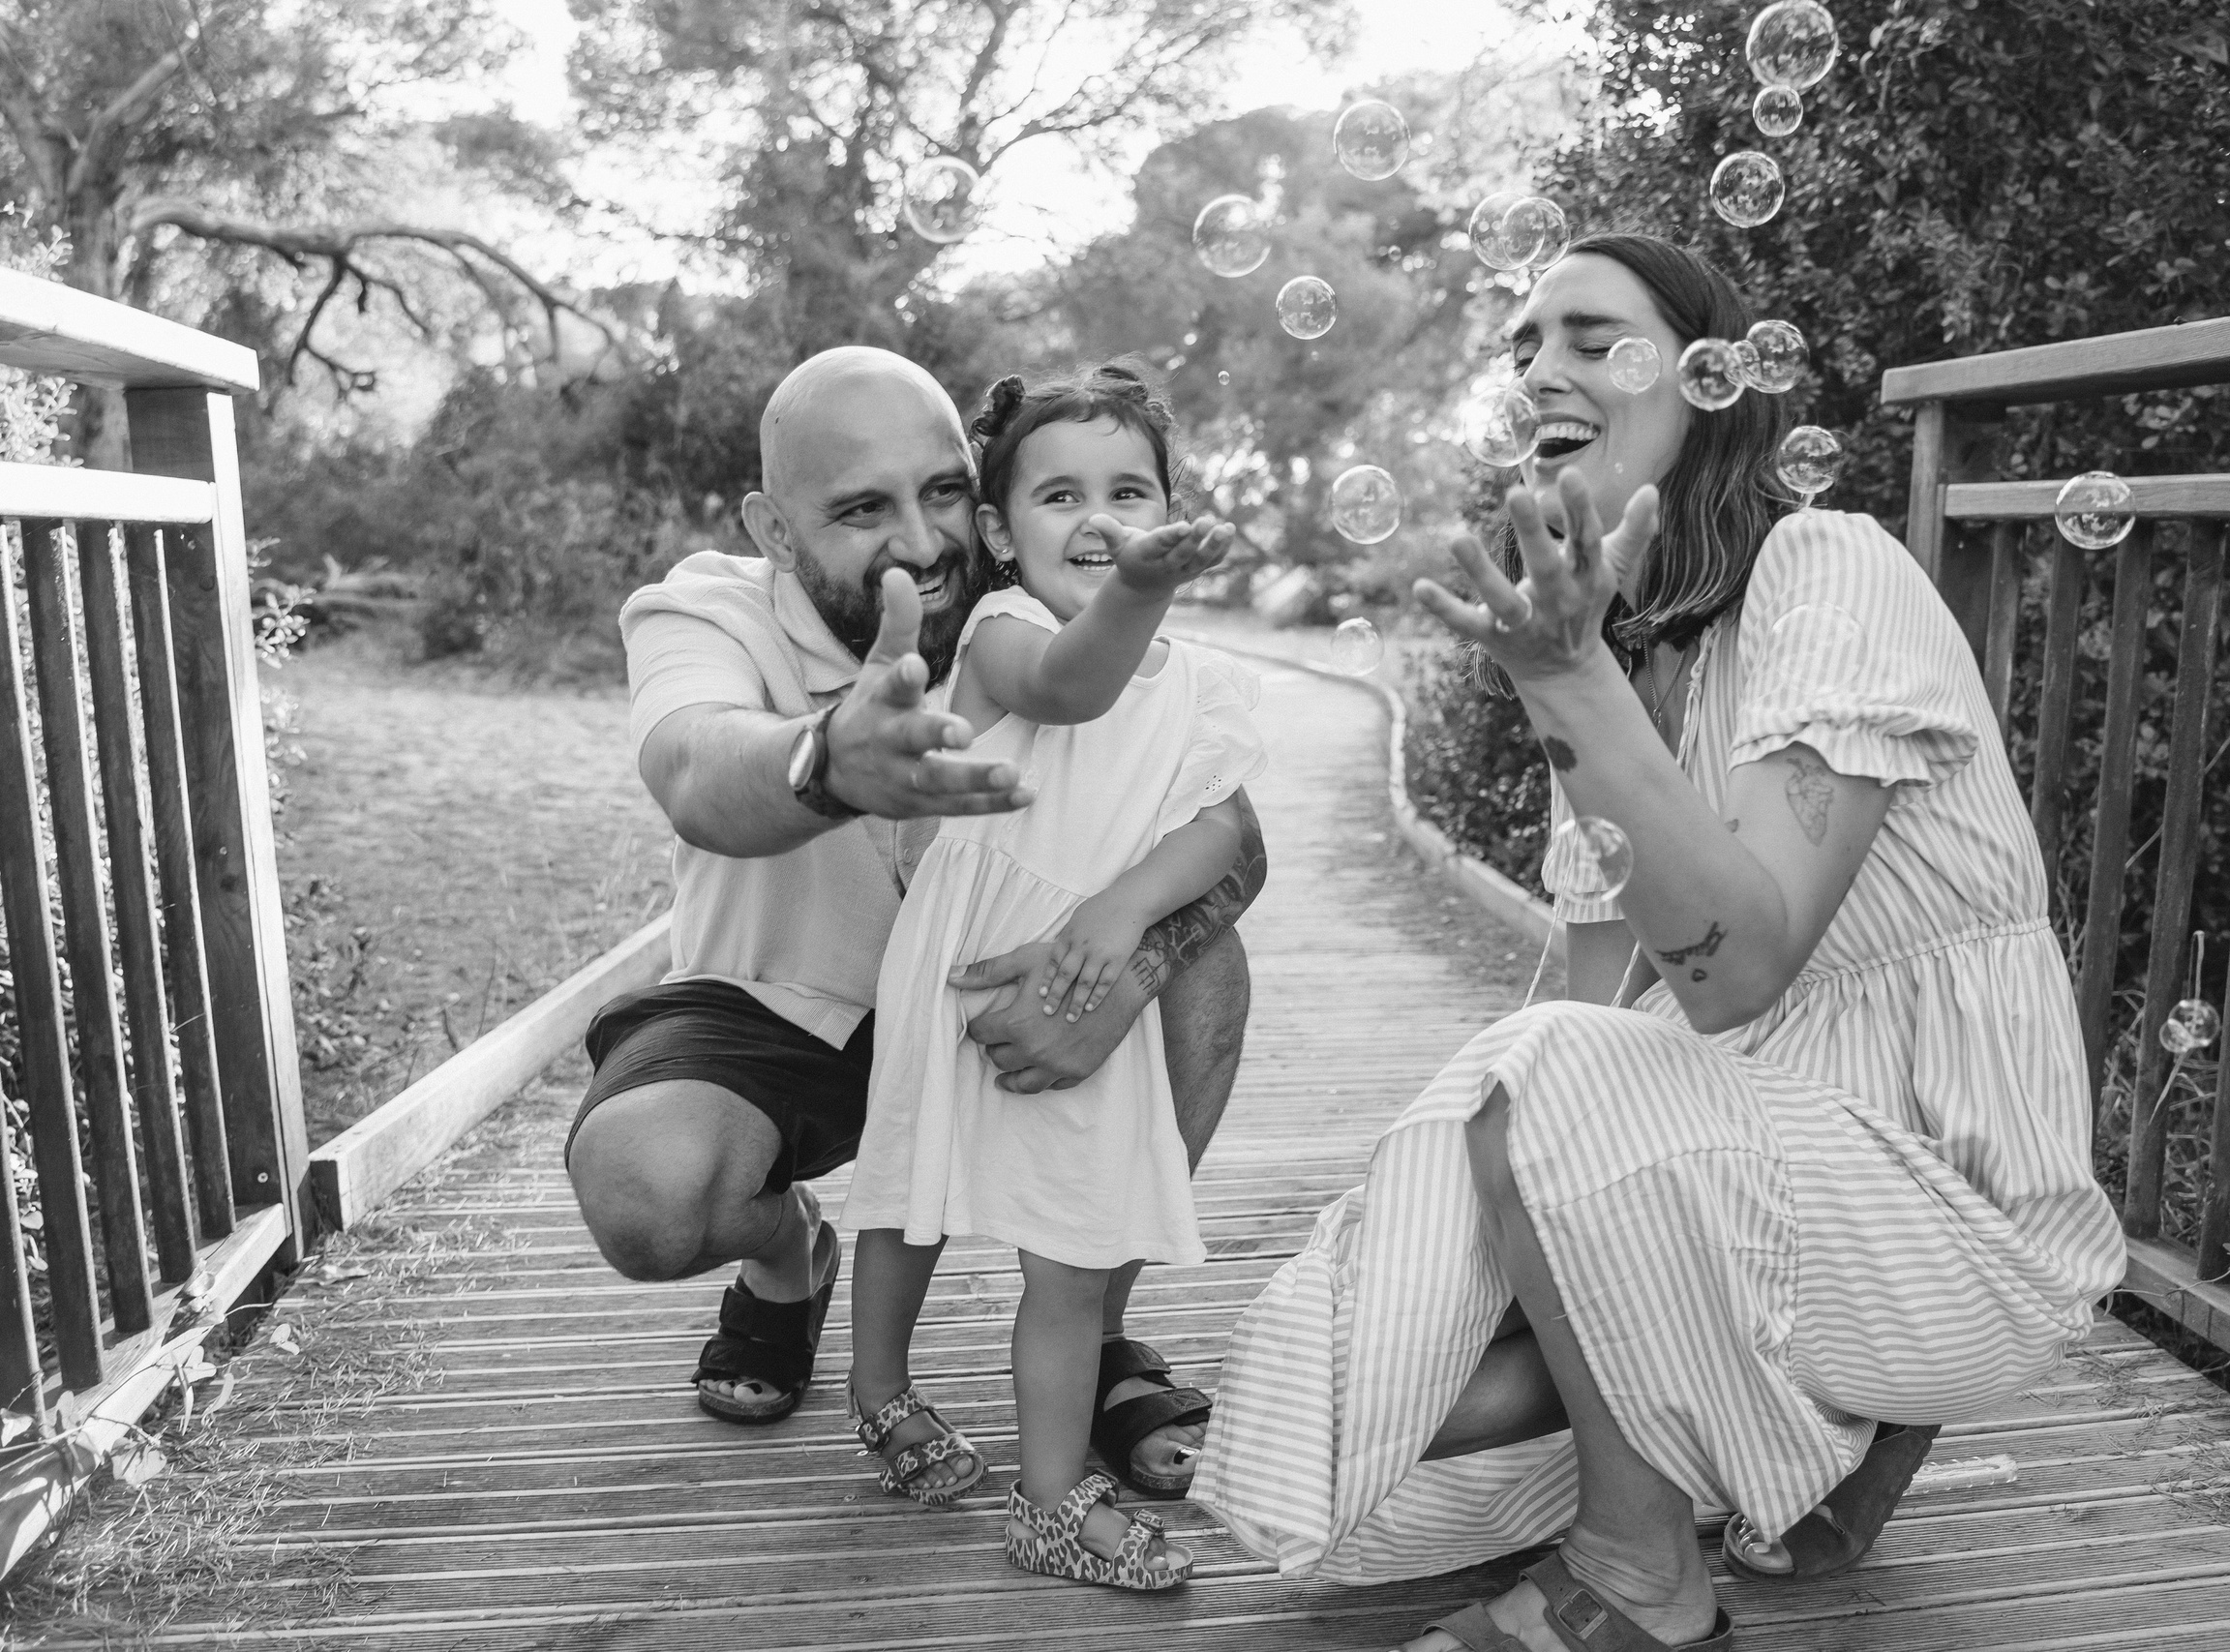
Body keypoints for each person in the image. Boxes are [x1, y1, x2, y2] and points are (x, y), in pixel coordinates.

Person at [1194, 233, 2125, 1652]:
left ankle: (1643, 1573)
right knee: (1356, 1393)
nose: (1537, 371)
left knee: (1551, 1080)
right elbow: (1580, 1025)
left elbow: (1736, 964)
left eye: (1586, 334)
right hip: (1757, 1187)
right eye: (1519, 345)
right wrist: (1584, 685)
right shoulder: (1625, 668)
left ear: (1707, 384)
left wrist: (1568, 684)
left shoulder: (1829, 569)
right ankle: (1808, 1423)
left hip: (1945, 1224)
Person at [562, 348, 1259, 1501]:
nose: (922, 543)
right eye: (860, 510)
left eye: (942, 493)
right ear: (773, 529)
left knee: (1204, 967)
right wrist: (824, 760)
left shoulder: (1049, 619)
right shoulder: (705, 608)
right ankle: (791, 1259)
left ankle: (1090, 1338)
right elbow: (693, 767)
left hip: (991, 987)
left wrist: (1127, 964)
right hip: (778, 1004)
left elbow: (1236, 840)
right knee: (647, 1195)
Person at [842, 364, 1265, 1590]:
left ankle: (1047, 1498)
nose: (1097, 517)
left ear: (1174, 509)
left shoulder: (1199, 681)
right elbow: (1074, 687)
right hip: (969, 948)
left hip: (1088, 956)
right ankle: (879, 1387)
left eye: (1130, 492)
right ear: (995, 531)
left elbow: (1218, 833)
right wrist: (1135, 587)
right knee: (908, 1188)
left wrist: (1127, 904)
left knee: (1076, 1246)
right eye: (1060, 494)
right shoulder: (998, 634)